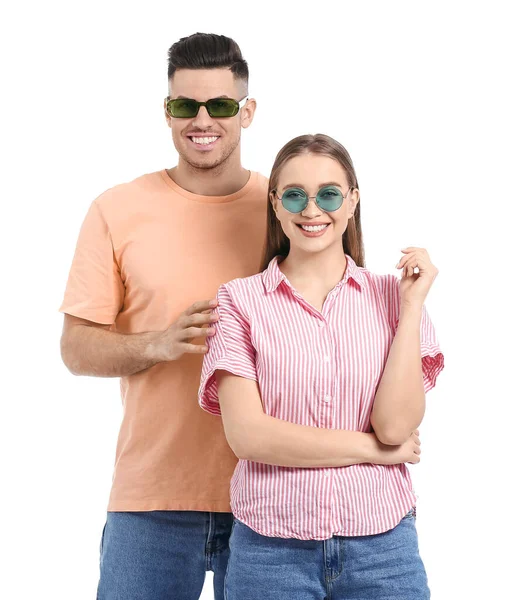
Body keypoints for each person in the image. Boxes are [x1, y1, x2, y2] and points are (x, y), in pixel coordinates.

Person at [59, 33, 267, 600]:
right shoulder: (117, 209)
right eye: (185, 106)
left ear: (246, 112)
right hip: (148, 499)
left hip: (270, 495)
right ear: (167, 112)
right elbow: (76, 348)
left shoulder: (287, 207)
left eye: (220, 106)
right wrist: (157, 343)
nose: (202, 120)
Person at [198, 133, 444, 599]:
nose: (312, 210)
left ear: (351, 202)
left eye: (329, 194)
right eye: (295, 195)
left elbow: (395, 427)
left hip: (383, 547)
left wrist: (410, 309)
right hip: (270, 551)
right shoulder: (238, 302)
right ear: (275, 204)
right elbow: (248, 436)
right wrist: (373, 452)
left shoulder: (393, 298)